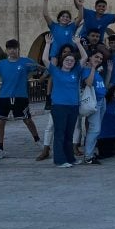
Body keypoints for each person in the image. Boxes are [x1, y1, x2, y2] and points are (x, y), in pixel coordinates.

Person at [41, 33, 88, 167]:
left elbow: (84, 57)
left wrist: (78, 43)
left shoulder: (76, 72)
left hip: (73, 107)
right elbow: (45, 59)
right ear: (62, 61)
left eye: (72, 60)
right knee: (60, 134)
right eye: (67, 60)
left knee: (69, 134)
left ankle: (70, 158)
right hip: (59, 107)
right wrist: (48, 44)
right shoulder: (56, 71)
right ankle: (60, 160)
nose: (69, 62)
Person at [0, 39, 43, 160]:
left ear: (18, 49)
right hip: (4, 96)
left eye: (14, 48)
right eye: (10, 48)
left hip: (20, 97)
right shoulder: (1, 64)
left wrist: (40, 74)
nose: (12, 51)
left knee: (28, 120)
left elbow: (42, 69)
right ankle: (0, 149)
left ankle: (38, 141)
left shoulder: (26, 62)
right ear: (7, 50)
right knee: (0, 122)